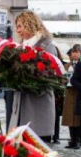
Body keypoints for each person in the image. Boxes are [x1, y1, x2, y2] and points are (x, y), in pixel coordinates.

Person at [13, 11, 59, 141]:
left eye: (20, 26)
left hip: (38, 110)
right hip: (21, 111)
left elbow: (50, 78)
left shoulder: (46, 46)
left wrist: (27, 81)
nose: (18, 30)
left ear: (30, 24)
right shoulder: (21, 46)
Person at [62, 46, 81, 149]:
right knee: (70, 118)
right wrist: (64, 81)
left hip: (79, 93)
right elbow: (61, 78)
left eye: (77, 52)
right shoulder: (66, 66)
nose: (75, 54)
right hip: (69, 93)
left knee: (78, 117)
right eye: (73, 52)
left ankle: (79, 140)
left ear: (80, 53)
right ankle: (72, 139)